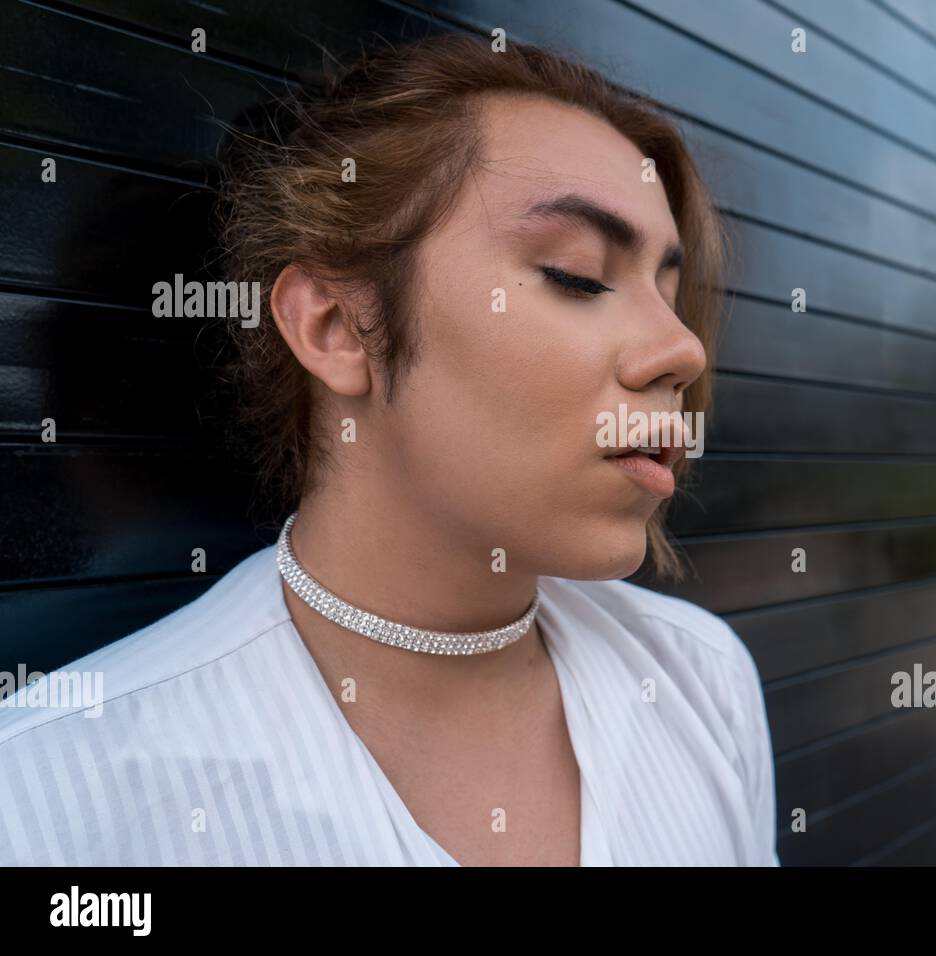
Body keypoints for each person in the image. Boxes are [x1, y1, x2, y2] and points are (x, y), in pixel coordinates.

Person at [0, 31, 779, 867]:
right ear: (335, 326)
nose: (683, 351)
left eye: (671, 295)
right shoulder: (50, 796)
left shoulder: (704, 683)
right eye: (578, 276)